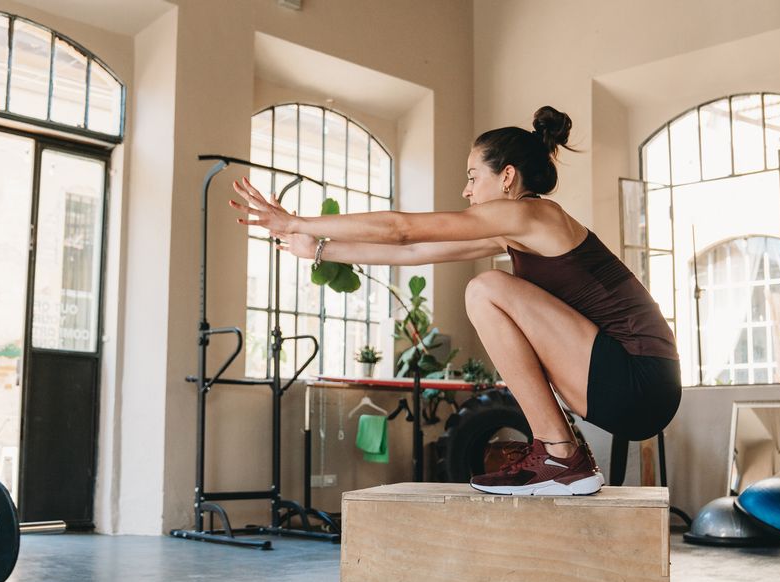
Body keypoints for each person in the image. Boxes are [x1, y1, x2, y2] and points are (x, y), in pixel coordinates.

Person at [230, 106, 681, 496]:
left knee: (485, 289)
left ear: (506, 176)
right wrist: (319, 248)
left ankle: (561, 456)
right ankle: (562, 454)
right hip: (625, 384)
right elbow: (410, 251)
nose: (466, 191)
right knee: (486, 288)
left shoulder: (534, 215)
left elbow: (402, 229)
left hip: (639, 378)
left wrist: (297, 221)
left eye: (472, 177)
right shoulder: (516, 230)